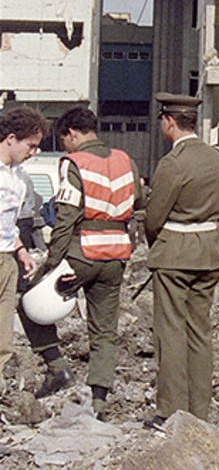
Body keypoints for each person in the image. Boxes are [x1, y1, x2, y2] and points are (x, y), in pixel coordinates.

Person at [18, 107, 141, 416]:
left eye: (64, 140)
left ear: (71, 134)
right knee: (104, 329)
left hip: (81, 253)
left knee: (28, 303)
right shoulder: (126, 160)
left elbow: (66, 219)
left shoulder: (75, 164)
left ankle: (56, 367)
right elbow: (138, 202)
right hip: (116, 255)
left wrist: (50, 265)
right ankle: (99, 401)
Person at [144, 93, 219, 426]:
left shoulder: (173, 163)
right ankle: (200, 412)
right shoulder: (216, 157)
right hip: (209, 250)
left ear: (169, 122)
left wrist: (158, 244)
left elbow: (154, 217)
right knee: (200, 332)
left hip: (175, 253)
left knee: (171, 333)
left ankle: (171, 411)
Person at [1, 105, 48, 383]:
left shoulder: (19, 177)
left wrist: (20, 250)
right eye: (29, 146)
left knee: (3, 336)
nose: (33, 152)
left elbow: (8, 222)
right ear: (10, 138)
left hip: (6, 258)